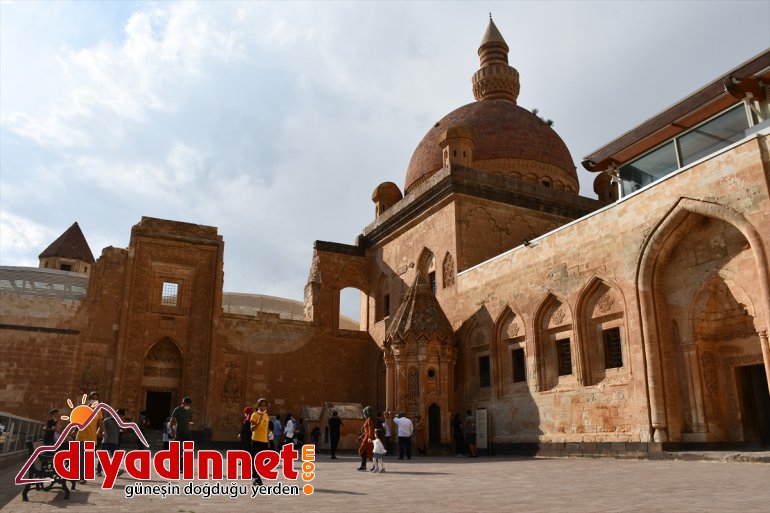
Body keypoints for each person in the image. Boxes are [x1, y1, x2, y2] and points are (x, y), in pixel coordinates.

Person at [76, 391, 103, 483]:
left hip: (92, 437)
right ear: (89, 399)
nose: (94, 400)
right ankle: (81, 477)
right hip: (82, 435)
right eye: (93, 398)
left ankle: (82, 476)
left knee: (88, 459)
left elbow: (100, 422)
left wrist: (103, 431)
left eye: (96, 399)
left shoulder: (98, 411)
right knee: (82, 457)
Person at [170, 396, 194, 472]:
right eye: (186, 404)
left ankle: (184, 466)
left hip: (187, 433)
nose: (187, 406)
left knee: (189, 450)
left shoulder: (190, 410)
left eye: (188, 405)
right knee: (179, 451)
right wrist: (172, 431)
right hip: (179, 432)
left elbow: (190, 421)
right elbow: (171, 421)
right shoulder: (177, 410)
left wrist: (190, 426)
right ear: (183, 403)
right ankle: (180, 467)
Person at [250, 398, 269, 486]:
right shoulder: (254, 415)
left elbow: (266, 429)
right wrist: (258, 422)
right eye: (261, 405)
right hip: (256, 440)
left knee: (265, 460)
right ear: (258, 406)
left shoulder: (266, 415)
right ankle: (256, 478)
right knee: (256, 460)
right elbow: (252, 429)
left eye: (264, 405)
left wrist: (268, 440)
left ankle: (257, 477)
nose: (262, 407)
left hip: (264, 441)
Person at [357, 406, 376, 470]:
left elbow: (371, 429)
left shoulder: (370, 419)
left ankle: (373, 466)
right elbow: (366, 431)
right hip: (367, 437)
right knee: (365, 451)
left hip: (368, 438)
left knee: (364, 450)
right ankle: (364, 465)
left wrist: (370, 437)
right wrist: (361, 436)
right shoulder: (369, 419)